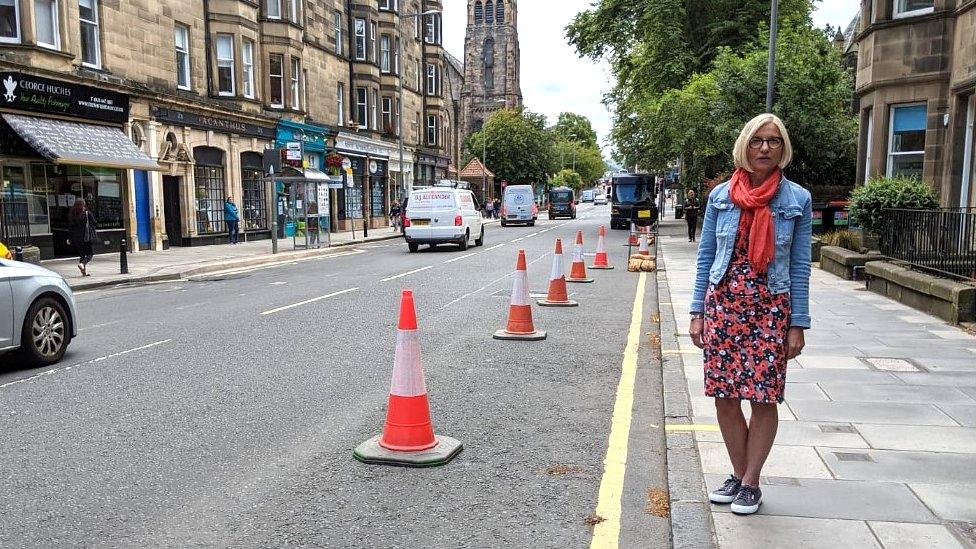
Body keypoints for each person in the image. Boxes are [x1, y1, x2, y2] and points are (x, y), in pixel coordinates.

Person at [689, 113, 812, 516]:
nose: (765, 148)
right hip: (724, 304)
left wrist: (798, 323)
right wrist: (697, 311)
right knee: (724, 396)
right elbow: (706, 256)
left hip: (770, 309)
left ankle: (751, 480)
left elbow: (799, 265)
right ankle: (740, 475)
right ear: (745, 144)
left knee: (763, 397)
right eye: (758, 140)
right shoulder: (721, 197)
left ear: (783, 148)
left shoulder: (796, 200)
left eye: (773, 141)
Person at [67, 198, 97, 277]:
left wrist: (69, 239)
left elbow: (70, 228)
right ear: (83, 205)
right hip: (86, 237)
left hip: (76, 238)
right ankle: (82, 264)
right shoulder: (87, 213)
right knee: (90, 254)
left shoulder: (72, 215)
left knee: (82, 255)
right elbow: (95, 223)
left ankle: (84, 273)